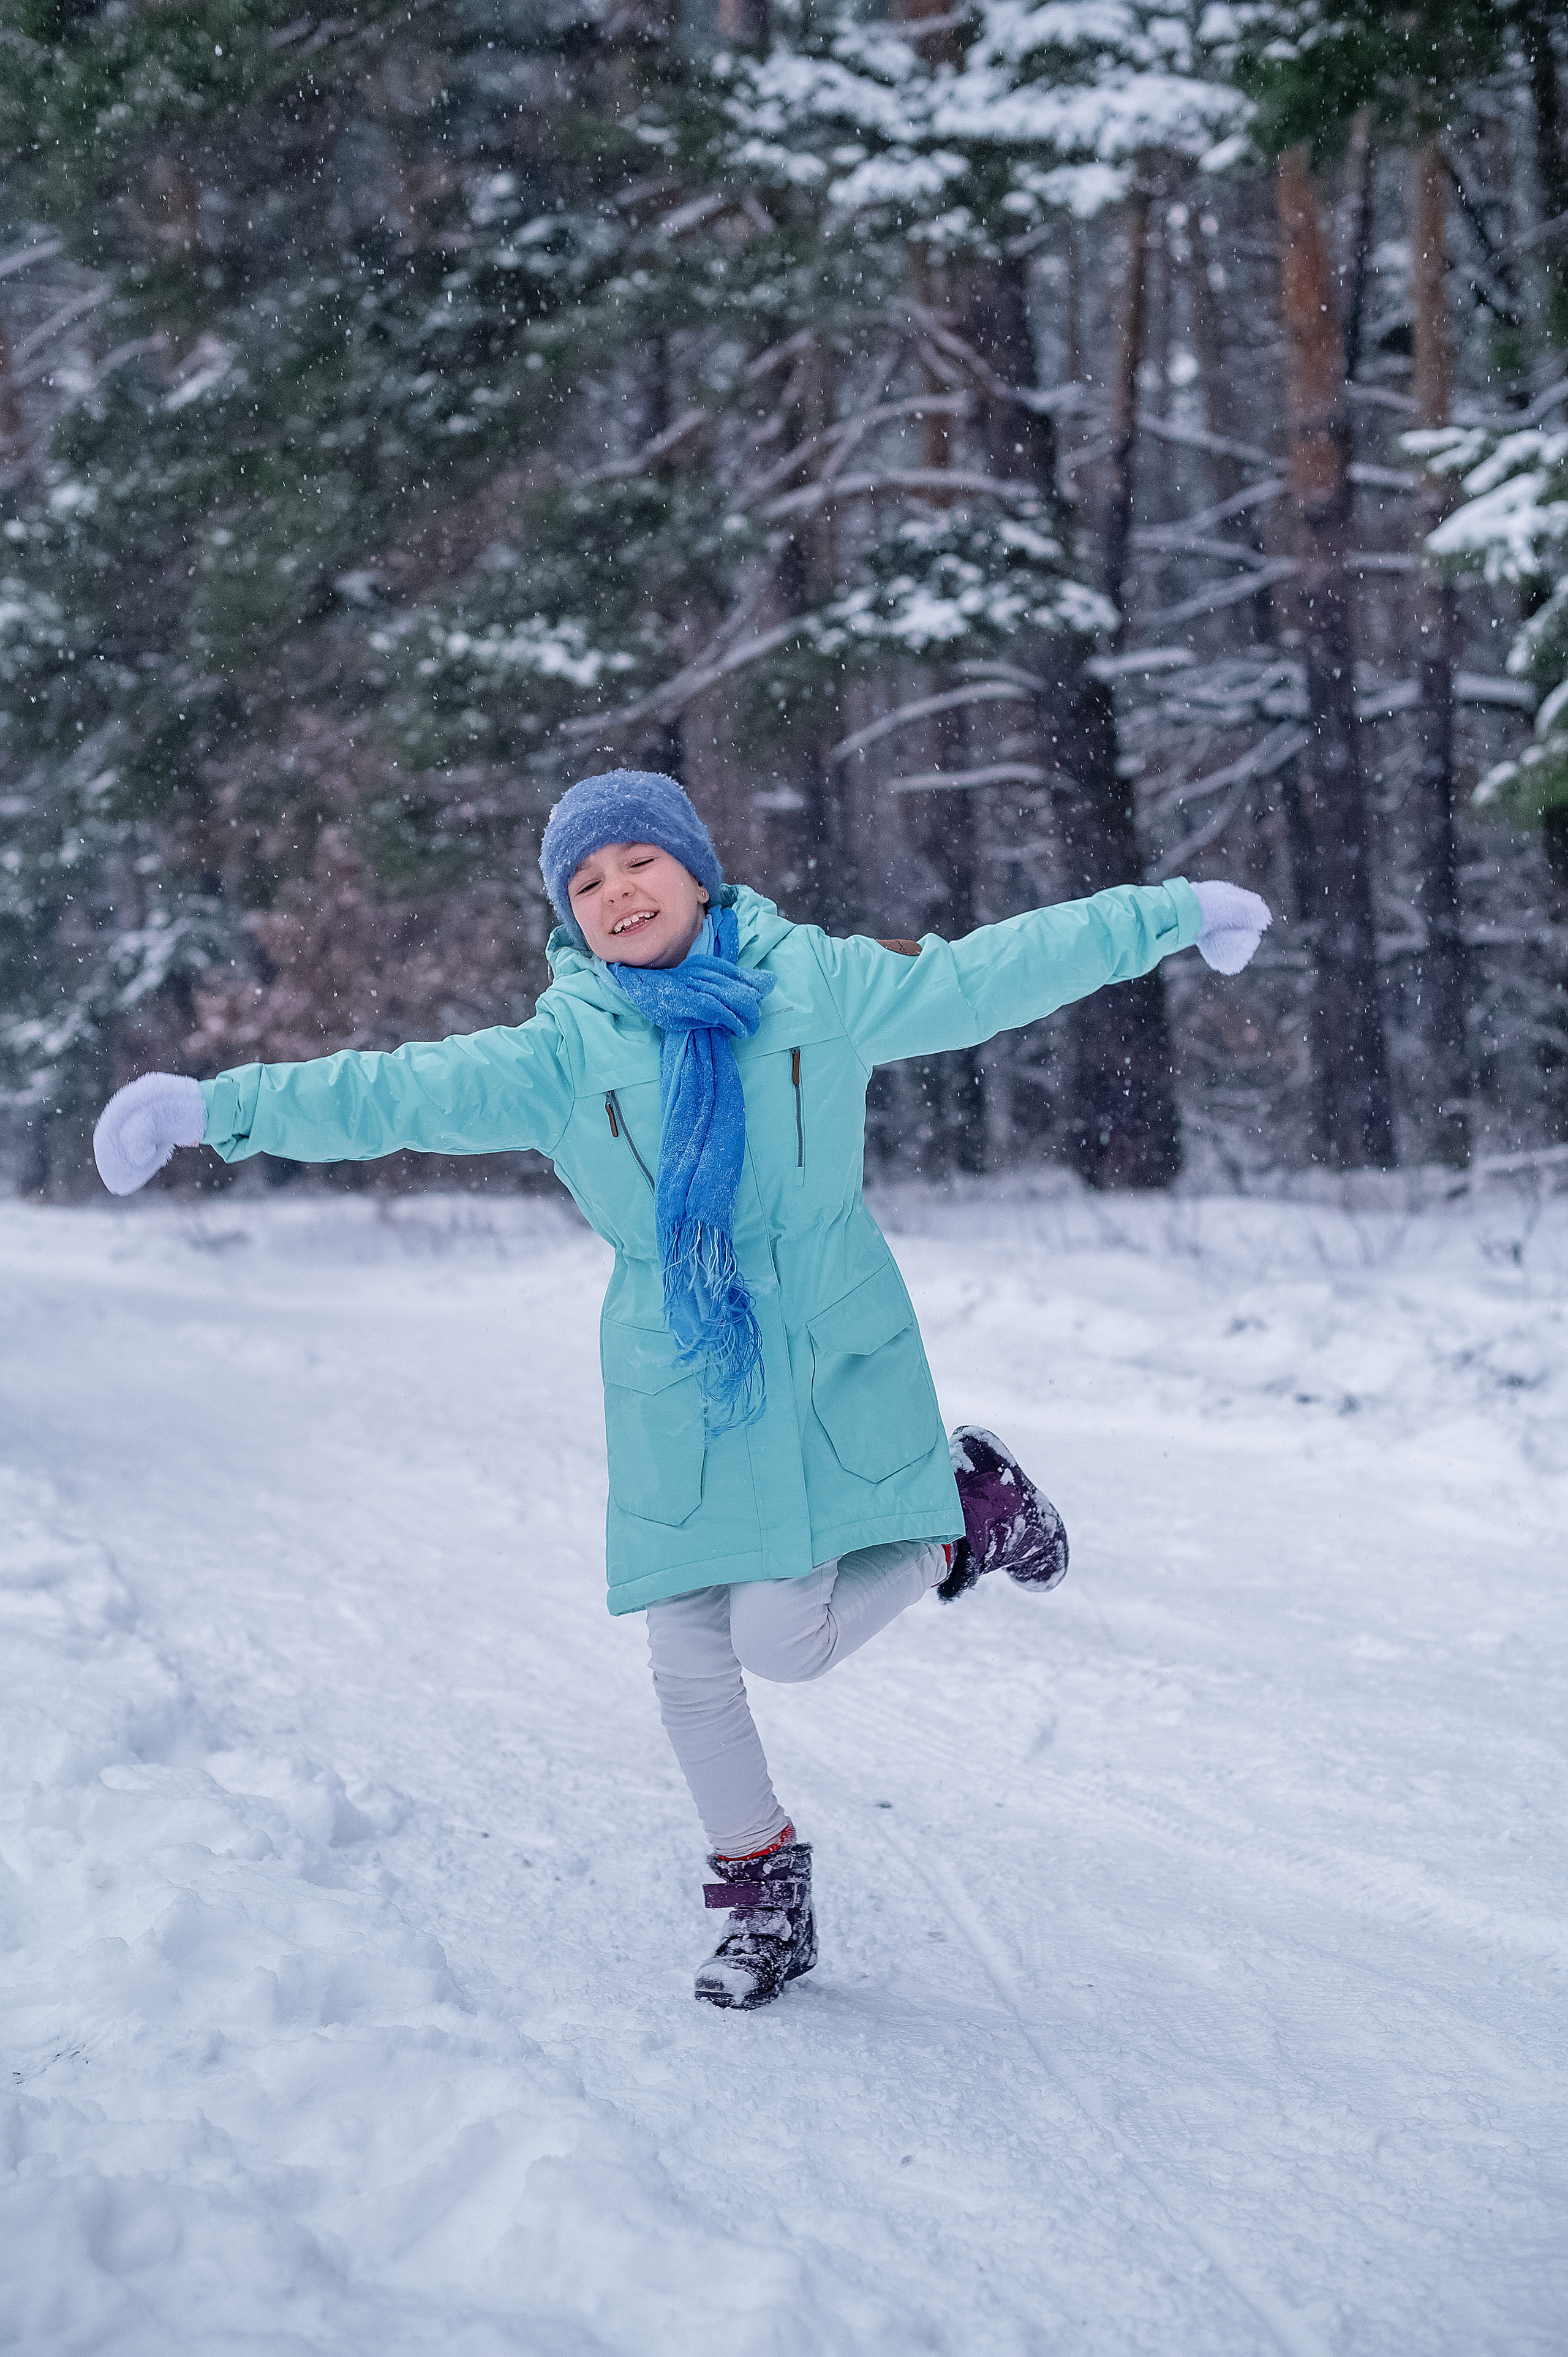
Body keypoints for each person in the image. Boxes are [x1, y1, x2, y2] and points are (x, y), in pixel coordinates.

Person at [93, 769, 1271, 2011]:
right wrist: (208, 1109)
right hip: (679, 1376)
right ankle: (761, 1889)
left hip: (826, 1349)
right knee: (688, 1663)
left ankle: (960, 1514)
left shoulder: (815, 985)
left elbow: (988, 972)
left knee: (786, 1640)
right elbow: (389, 1091)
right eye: (585, 884)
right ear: (567, 917)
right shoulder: (562, 1053)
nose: (616, 893)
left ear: (699, 874)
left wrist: (1167, 912)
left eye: (637, 863)